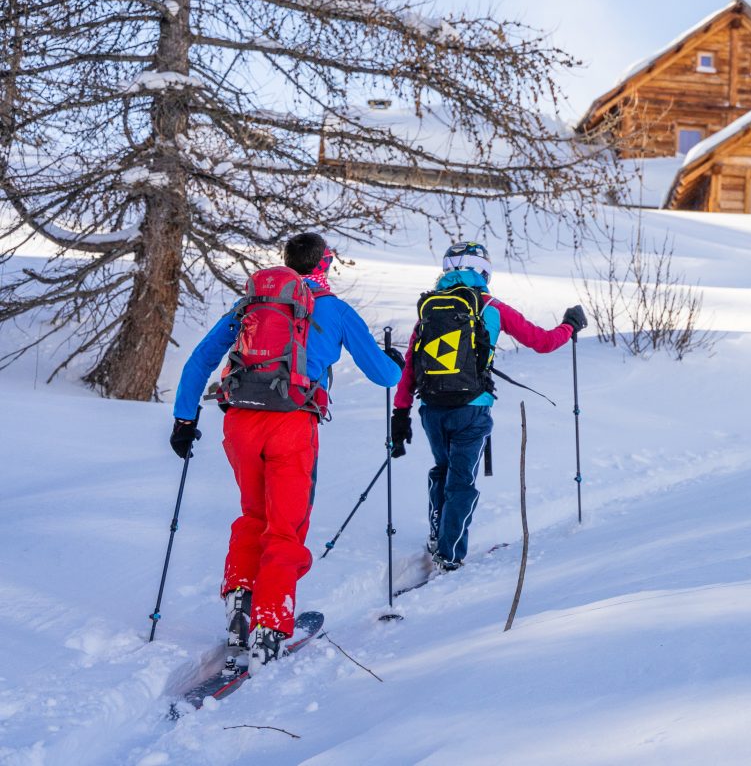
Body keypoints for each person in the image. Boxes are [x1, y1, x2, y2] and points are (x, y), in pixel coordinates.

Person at [169, 232, 402, 669]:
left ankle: (241, 602)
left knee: (253, 514)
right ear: (325, 264)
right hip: (292, 424)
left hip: (239, 422)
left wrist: (184, 419)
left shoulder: (253, 307)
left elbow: (200, 359)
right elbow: (383, 375)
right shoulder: (332, 308)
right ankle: (272, 626)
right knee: (285, 527)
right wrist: (396, 361)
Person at [391, 241, 585, 572]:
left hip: (431, 408)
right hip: (472, 407)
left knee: (442, 468)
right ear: (483, 270)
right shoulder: (490, 306)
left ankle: (438, 536)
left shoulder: (429, 307)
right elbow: (541, 342)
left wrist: (401, 413)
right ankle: (449, 555)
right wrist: (570, 325)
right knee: (461, 479)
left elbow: (410, 363)